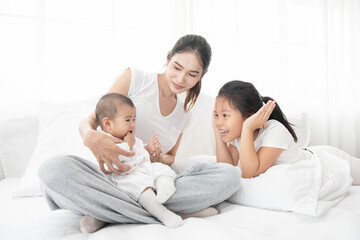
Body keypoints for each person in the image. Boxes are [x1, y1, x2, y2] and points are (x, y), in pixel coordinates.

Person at [38, 34, 241, 233]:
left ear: (203, 75)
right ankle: (166, 212)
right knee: (52, 169)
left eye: (192, 74)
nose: (181, 79)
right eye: (177, 67)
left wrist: (157, 156)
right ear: (168, 57)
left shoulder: (184, 115)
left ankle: (108, 213)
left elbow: (169, 159)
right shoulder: (135, 79)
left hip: (147, 181)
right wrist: (90, 137)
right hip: (107, 178)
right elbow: (91, 120)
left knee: (230, 176)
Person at [212, 80, 360, 183]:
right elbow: (226, 168)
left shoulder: (274, 130)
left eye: (225, 115)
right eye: (217, 115)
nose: (219, 121)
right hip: (309, 154)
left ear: (250, 116)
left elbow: (249, 174)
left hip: (327, 161)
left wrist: (247, 128)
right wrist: (217, 132)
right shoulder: (238, 136)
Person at [83, 93, 182, 231]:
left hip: (141, 169)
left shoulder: (128, 137)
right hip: (122, 178)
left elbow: (139, 151)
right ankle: (163, 213)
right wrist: (128, 145)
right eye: (128, 120)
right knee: (140, 186)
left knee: (160, 167)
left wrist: (149, 149)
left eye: (134, 119)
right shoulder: (103, 141)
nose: (133, 125)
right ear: (107, 123)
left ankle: (165, 186)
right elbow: (115, 160)